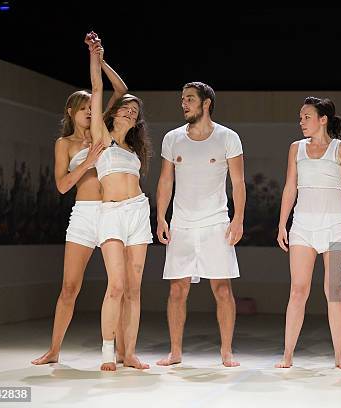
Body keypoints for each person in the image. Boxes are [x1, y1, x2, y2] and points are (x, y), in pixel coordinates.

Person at [31, 33, 127, 365]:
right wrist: (88, 160)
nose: (90, 112)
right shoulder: (65, 144)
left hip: (112, 211)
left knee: (120, 286)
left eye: (92, 107)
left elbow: (120, 90)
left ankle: (120, 350)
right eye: (84, 108)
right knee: (69, 288)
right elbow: (61, 186)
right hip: (84, 213)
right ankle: (54, 349)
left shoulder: (103, 129)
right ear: (72, 111)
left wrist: (99, 60)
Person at [155, 82, 245, 367]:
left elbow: (238, 182)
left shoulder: (228, 137)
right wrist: (160, 216)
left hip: (216, 223)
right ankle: (175, 352)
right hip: (181, 224)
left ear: (206, 104)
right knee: (177, 290)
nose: (184, 104)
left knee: (222, 289)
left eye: (190, 99)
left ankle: (227, 351)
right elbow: (166, 180)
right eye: (182, 99)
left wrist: (239, 219)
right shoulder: (172, 138)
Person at [275, 97, 341, 369]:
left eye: (307, 117)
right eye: (300, 118)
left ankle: (339, 356)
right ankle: (287, 354)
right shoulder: (295, 149)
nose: (301, 122)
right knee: (298, 290)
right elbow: (290, 187)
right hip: (302, 225)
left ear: (323, 119)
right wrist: (282, 223)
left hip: (336, 225)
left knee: (334, 291)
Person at [88, 32, 153, 371]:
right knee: (115, 285)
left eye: (135, 111)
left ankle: (130, 352)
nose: (130, 112)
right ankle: (107, 351)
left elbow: (125, 92)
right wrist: (97, 57)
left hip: (138, 212)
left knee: (134, 288)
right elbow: (103, 88)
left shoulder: (133, 150)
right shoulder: (101, 135)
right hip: (111, 213)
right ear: (114, 114)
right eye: (126, 108)